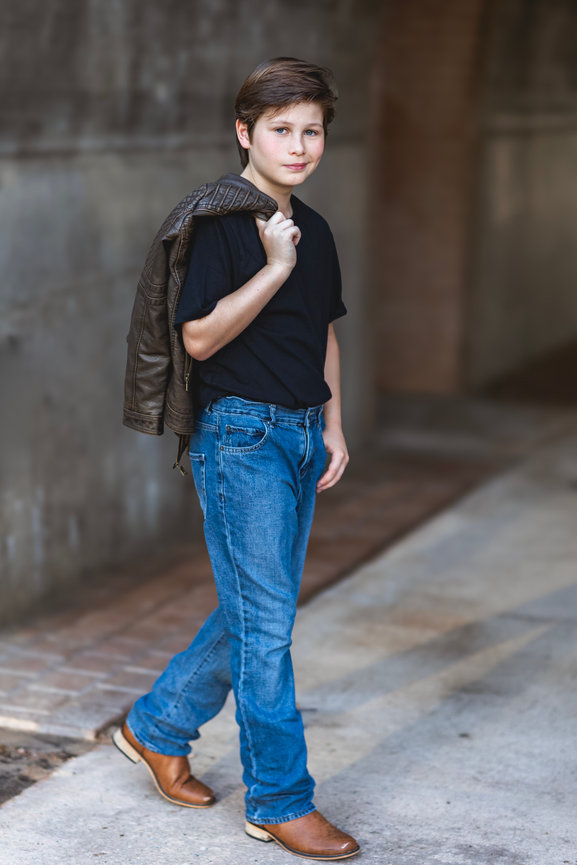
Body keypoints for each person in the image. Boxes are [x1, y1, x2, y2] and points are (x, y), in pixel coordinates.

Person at [113, 57, 359, 861]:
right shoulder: (220, 222)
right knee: (268, 627)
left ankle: (156, 726)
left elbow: (322, 329)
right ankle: (280, 799)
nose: (297, 146)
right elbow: (198, 336)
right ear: (244, 132)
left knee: (262, 612)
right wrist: (273, 265)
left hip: (296, 433)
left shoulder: (315, 228)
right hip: (240, 437)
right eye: (280, 130)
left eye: (310, 131)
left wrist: (333, 422)